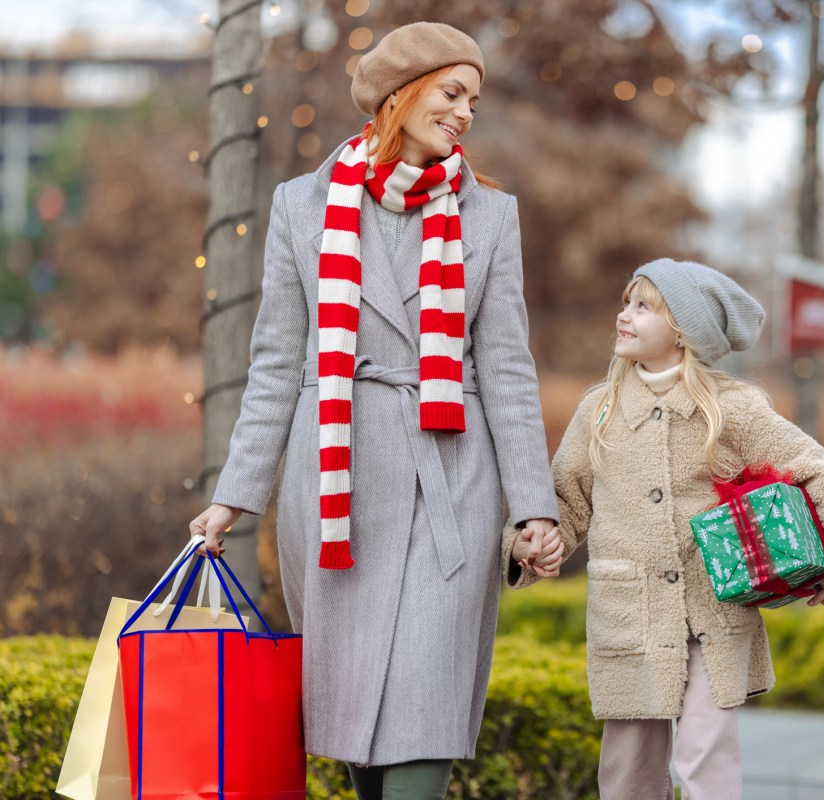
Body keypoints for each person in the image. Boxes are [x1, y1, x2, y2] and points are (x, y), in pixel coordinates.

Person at [189, 21, 562, 800]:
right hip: (338, 492)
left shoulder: (491, 217)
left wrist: (534, 506)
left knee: (422, 714)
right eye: (451, 93)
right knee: (357, 726)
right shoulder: (302, 206)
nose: (464, 113)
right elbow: (276, 362)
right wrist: (234, 496)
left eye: (474, 101)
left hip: (450, 483)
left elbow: (505, 367)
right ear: (401, 94)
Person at [505, 258, 824, 799]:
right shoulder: (600, 408)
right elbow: (567, 498)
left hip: (713, 612)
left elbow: (819, 470)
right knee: (628, 767)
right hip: (628, 613)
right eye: (626, 302)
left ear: (684, 331)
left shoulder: (731, 409)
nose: (624, 315)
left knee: (706, 753)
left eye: (643, 307)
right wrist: (534, 542)